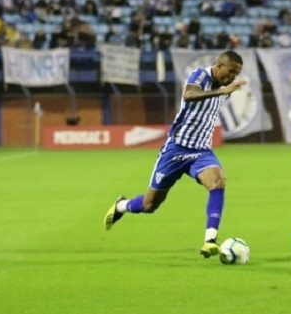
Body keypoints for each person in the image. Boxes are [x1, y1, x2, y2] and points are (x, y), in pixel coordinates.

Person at [103, 50, 246, 258]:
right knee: (149, 205)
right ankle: (121, 206)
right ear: (219, 66)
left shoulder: (225, 87)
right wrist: (222, 92)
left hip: (201, 152)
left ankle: (210, 240)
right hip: (175, 150)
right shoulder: (200, 75)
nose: (233, 78)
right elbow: (189, 94)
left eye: (237, 74)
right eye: (231, 72)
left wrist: (225, 90)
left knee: (218, 181)